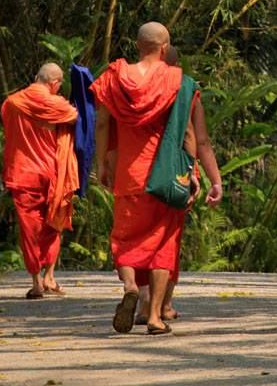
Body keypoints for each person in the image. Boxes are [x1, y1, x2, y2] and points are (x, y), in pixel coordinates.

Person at [91, 22, 224, 335]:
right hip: (167, 177)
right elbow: (197, 138)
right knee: (163, 245)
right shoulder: (181, 83)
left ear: (137, 46)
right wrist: (207, 177)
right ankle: (154, 317)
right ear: (165, 49)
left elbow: (101, 125)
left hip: (127, 172)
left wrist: (102, 165)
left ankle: (129, 288)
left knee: (124, 239)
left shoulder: (114, 79)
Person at [0, 63, 79, 299]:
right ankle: (49, 277)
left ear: (36, 78)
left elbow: (10, 131)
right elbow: (77, 118)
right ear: (54, 84)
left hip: (21, 174)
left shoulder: (11, 103)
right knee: (54, 223)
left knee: (29, 230)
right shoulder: (58, 105)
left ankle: (37, 282)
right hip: (52, 173)